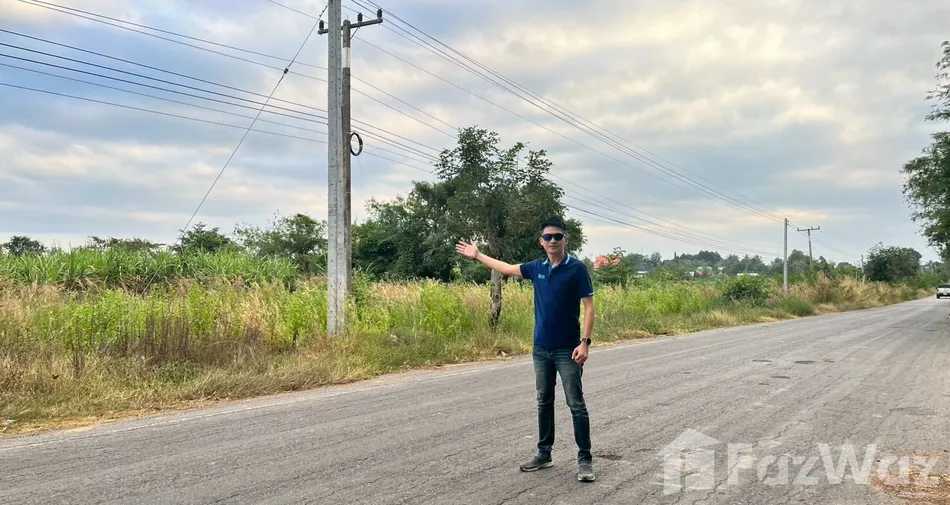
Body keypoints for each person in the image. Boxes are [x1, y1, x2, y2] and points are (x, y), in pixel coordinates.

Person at [455, 217, 596, 483]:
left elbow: (589, 307)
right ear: (541, 242)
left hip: (569, 349)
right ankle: (544, 453)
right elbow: (507, 268)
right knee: (544, 401)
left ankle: (585, 459)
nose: (552, 241)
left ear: (565, 240)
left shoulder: (576, 269)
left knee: (576, 404)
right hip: (541, 348)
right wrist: (478, 255)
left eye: (557, 236)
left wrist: (585, 342)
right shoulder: (536, 268)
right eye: (548, 237)